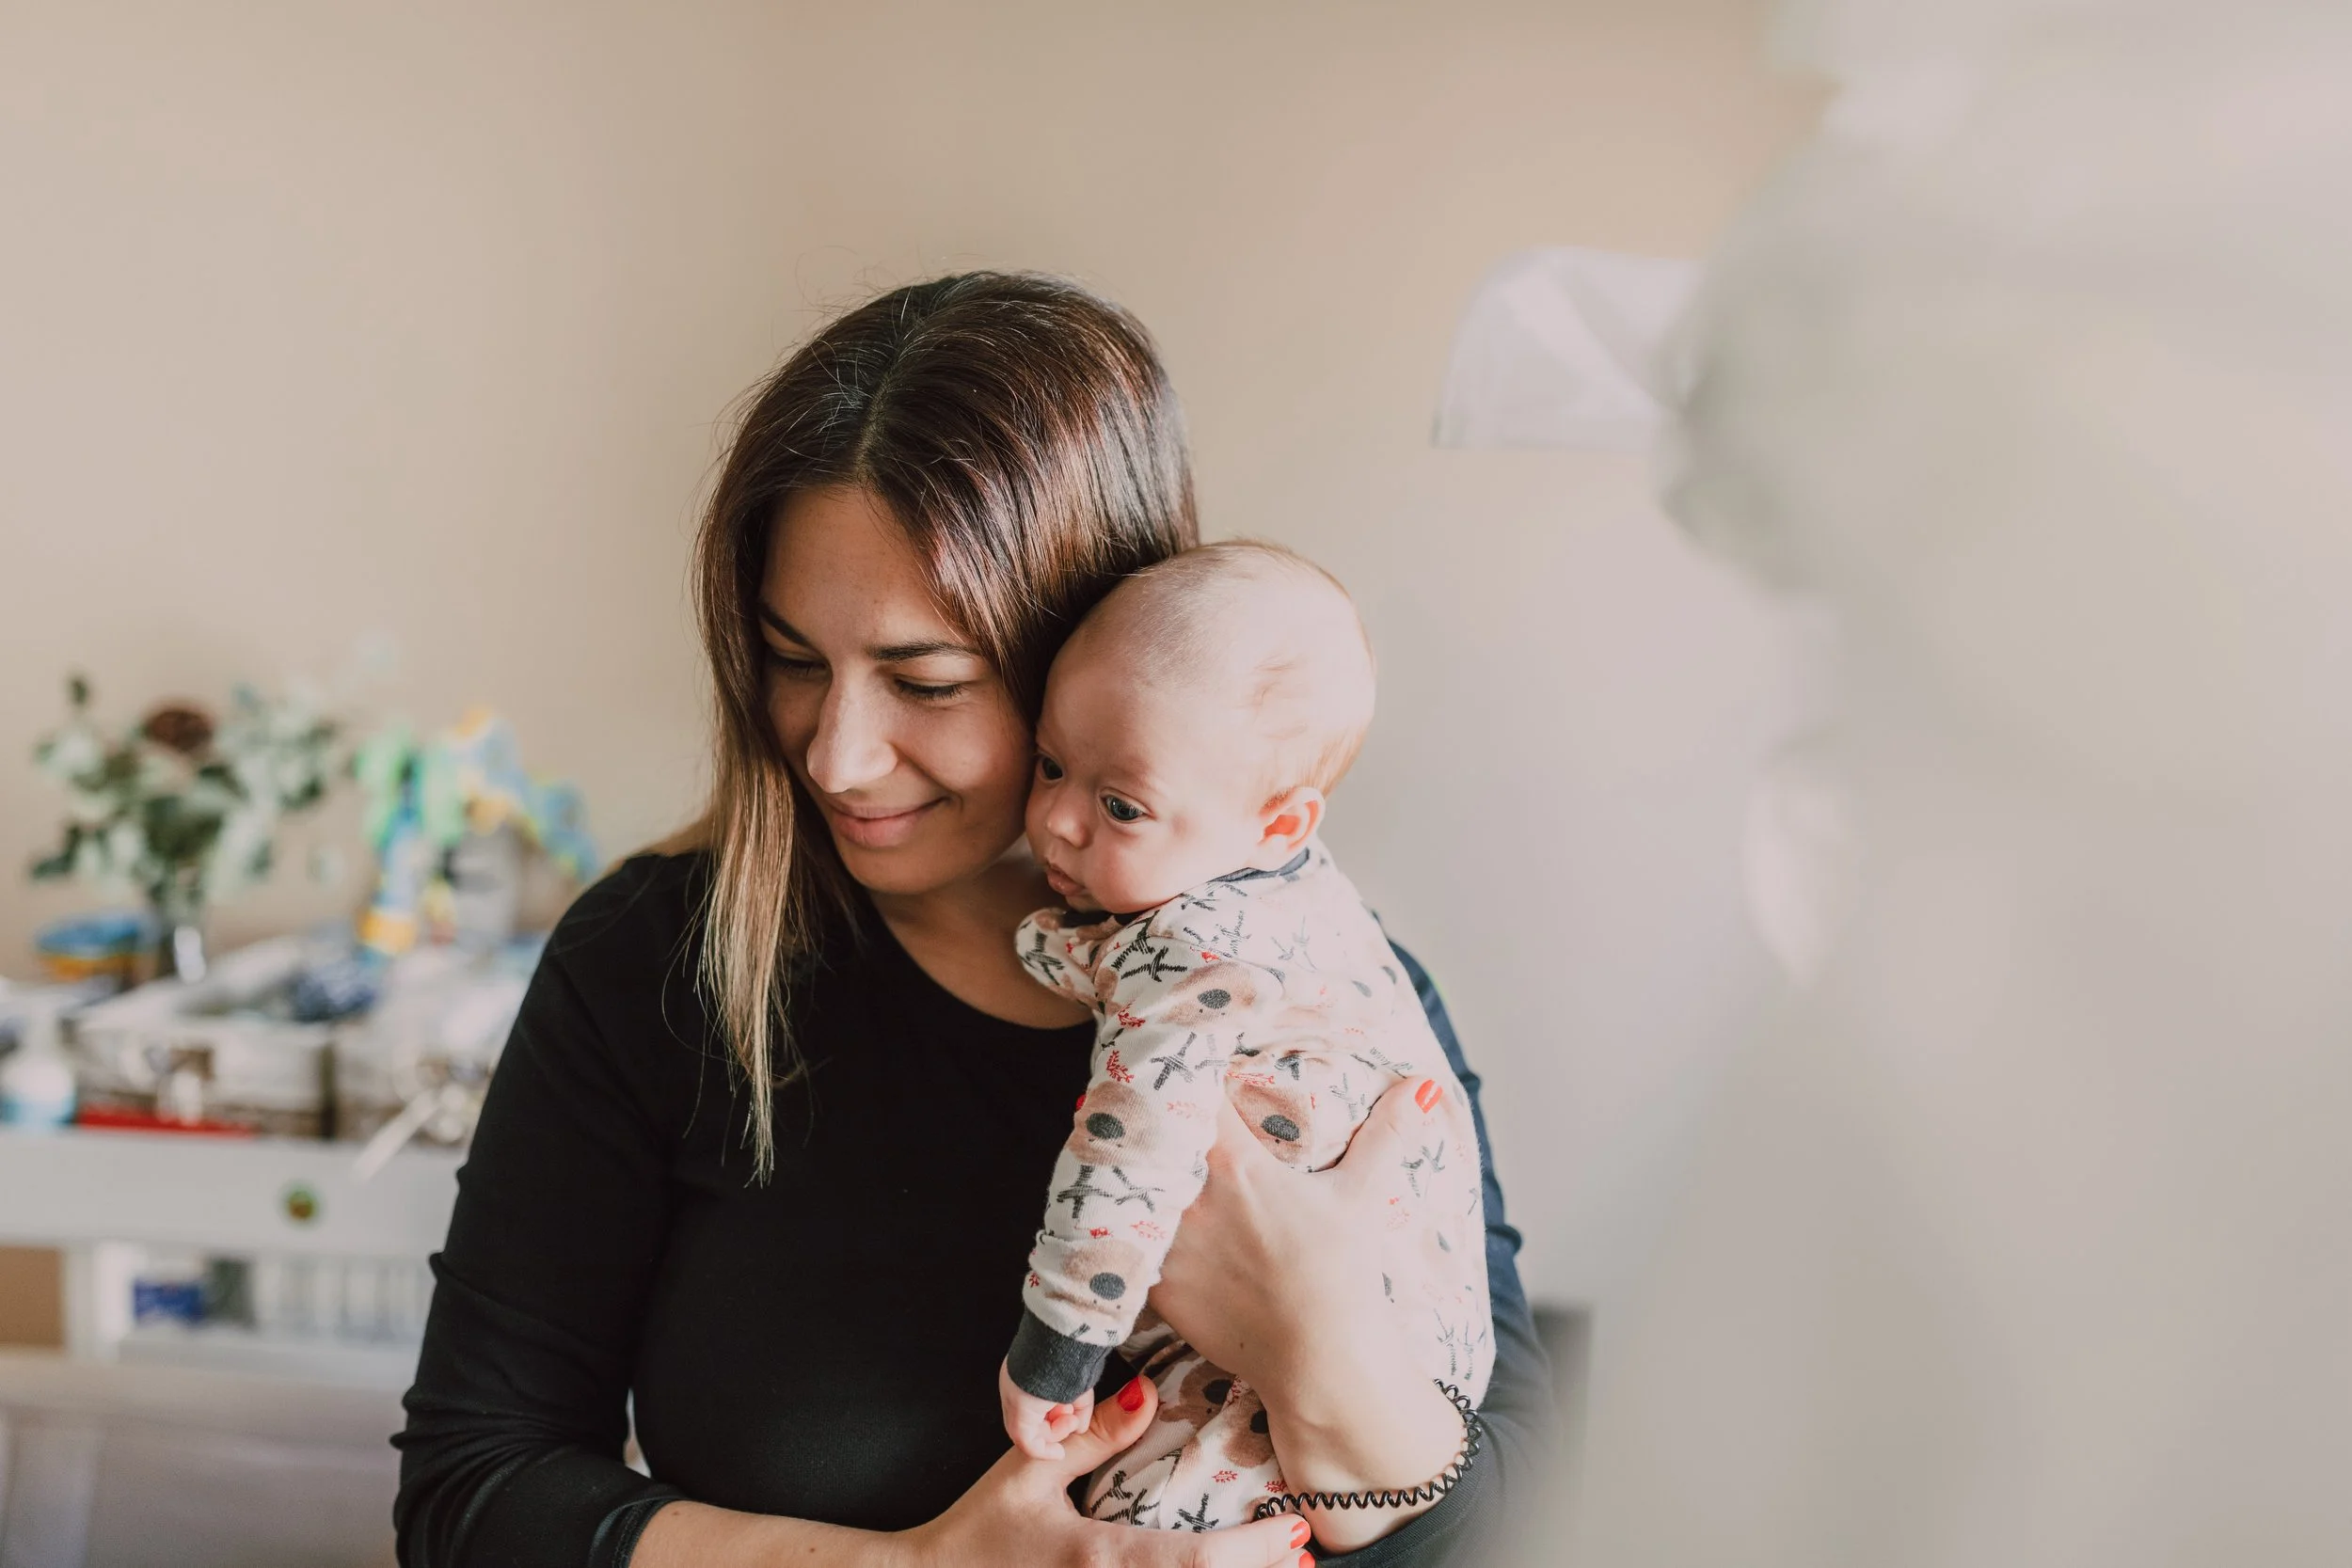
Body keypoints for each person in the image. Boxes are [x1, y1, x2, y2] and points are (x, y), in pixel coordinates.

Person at [392, 272, 1553, 1568]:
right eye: (792, 659)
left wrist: (1315, 1336)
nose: (835, 754)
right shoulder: (660, 963)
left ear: (1090, 643)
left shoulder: (1330, 1003)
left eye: (925, 678)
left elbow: (1518, 1522)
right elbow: (472, 1492)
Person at [997, 541, 1494, 1541]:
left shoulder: (1192, 946)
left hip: (1310, 1378)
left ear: (1278, 823)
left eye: (1120, 805)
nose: (1054, 817)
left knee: (1130, 1516)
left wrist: (1053, 1353)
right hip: (1429, 1352)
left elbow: (1130, 1156)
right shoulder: (1312, 903)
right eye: (1051, 763)